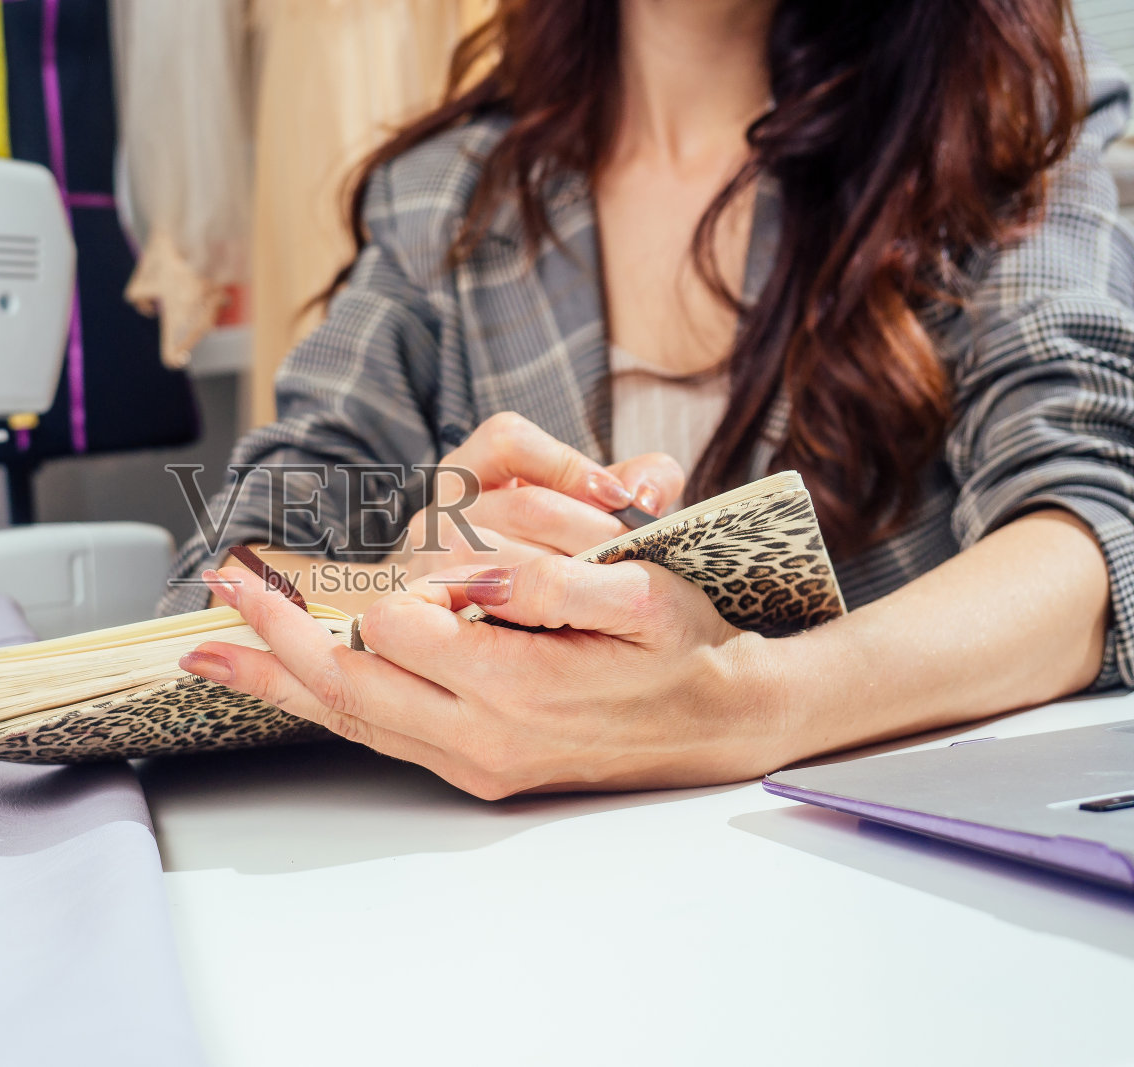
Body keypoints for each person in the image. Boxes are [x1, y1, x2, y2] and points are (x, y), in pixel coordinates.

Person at [161, 0, 1134, 799]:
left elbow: (1091, 527)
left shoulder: (1001, 132)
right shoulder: (444, 201)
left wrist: (753, 699)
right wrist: (408, 579)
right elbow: (234, 561)